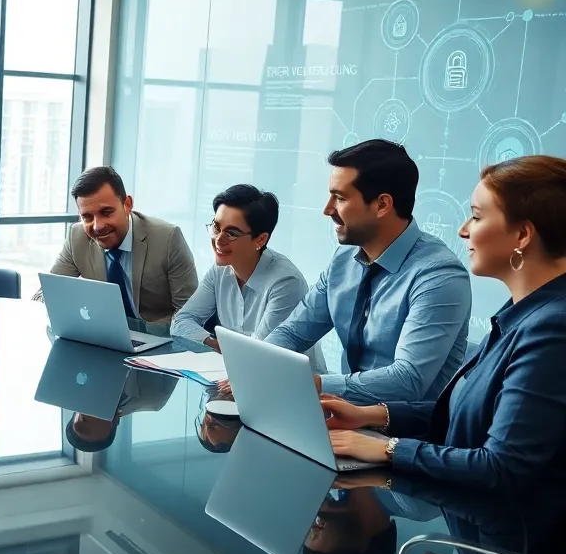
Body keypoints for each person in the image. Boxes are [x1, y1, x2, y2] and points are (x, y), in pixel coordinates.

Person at [321, 155, 566, 495]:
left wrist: (387, 449)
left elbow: (500, 468)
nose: (463, 230)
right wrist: (370, 416)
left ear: (522, 234)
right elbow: (468, 412)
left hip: (502, 532)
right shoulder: (532, 311)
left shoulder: (558, 332)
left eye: (476, 216)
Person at [263, 139, 471, 403]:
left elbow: (407, 381)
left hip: (404, 435)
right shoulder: (344, 259)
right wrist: (261, 367)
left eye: (339, 198)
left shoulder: (439, 276)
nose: (327, 210)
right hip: (342, 417)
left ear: (382, 204)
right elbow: (292, 333)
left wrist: (311, 384)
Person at [172, 184, 323, 368]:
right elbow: (181, 322)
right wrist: (217, 346)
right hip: (236, 373)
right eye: (216, 227)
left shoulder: (286, 282)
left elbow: (262, 353)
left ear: (260, 240)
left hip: (291, 384)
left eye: (232, 233)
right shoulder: (219, 270)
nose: (218, 239)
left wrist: (227, 353)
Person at [37, 166, 198, 325]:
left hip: (159, 340)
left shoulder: (167, 238)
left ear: (127, 204)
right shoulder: (77, 237)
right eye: (87, 217)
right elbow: (46, 294)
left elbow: (189, 313)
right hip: (102, 335)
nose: (97, 226)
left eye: (106, 213)